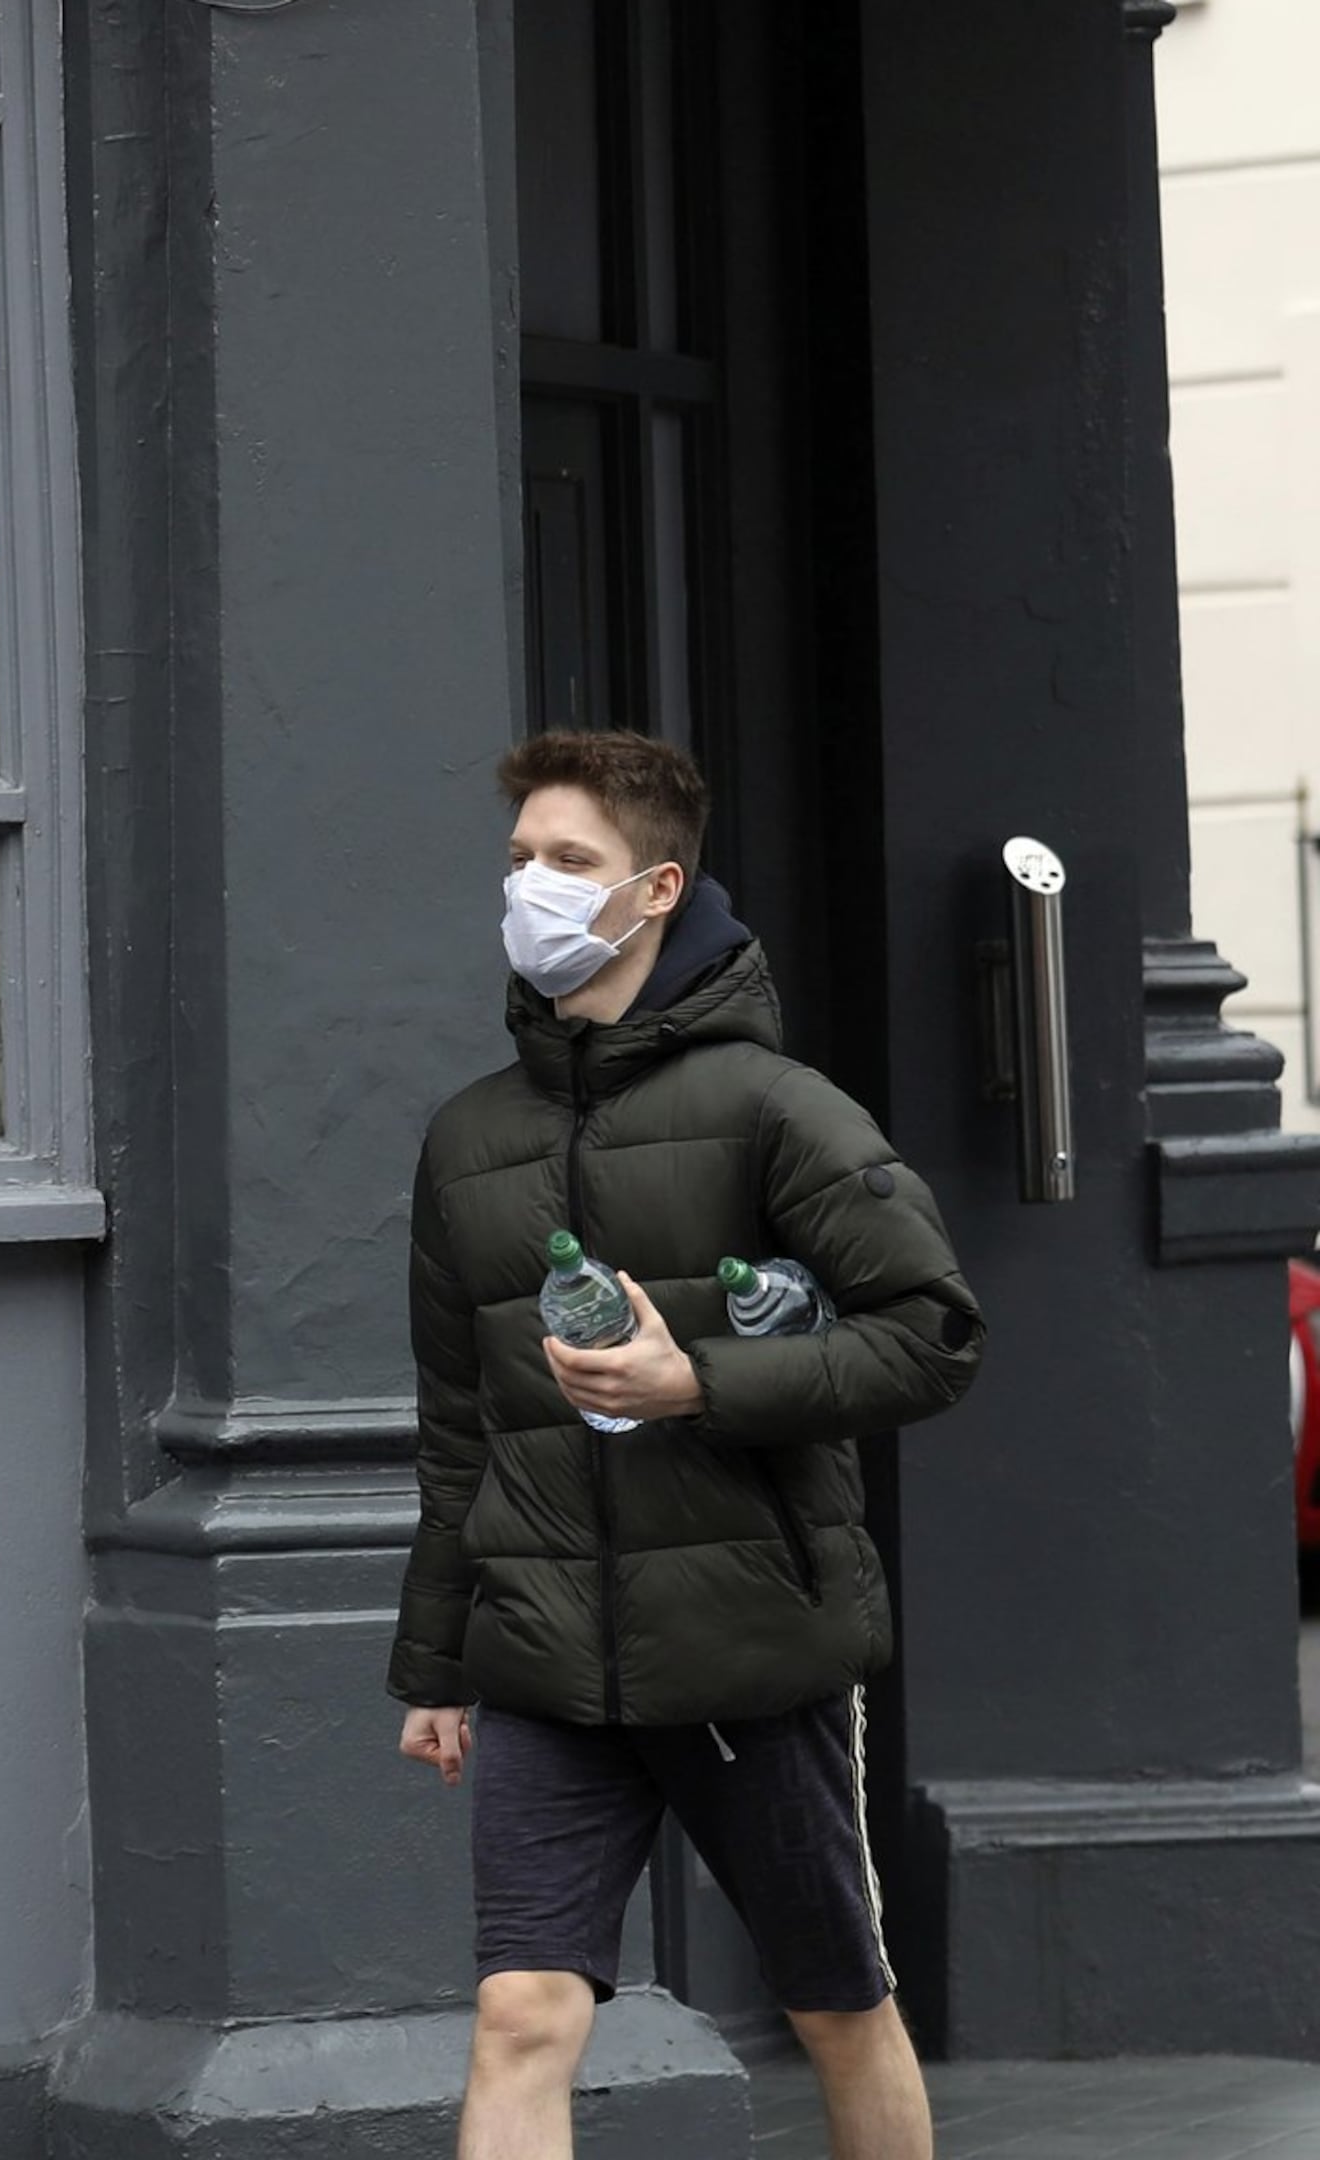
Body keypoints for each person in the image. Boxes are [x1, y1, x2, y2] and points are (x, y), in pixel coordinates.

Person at [387, 732, 984, 2160]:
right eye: (519, 859)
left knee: (839, 2005)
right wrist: (435, 1661)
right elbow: (456, 1421)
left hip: (746, 1645)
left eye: (568, 861)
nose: (530, 886)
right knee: (522, 2014)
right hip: (540, 1651)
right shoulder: (468, 1140)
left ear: (656, 888)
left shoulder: (777, 1110)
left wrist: (697, 1383)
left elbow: (933, 1333)